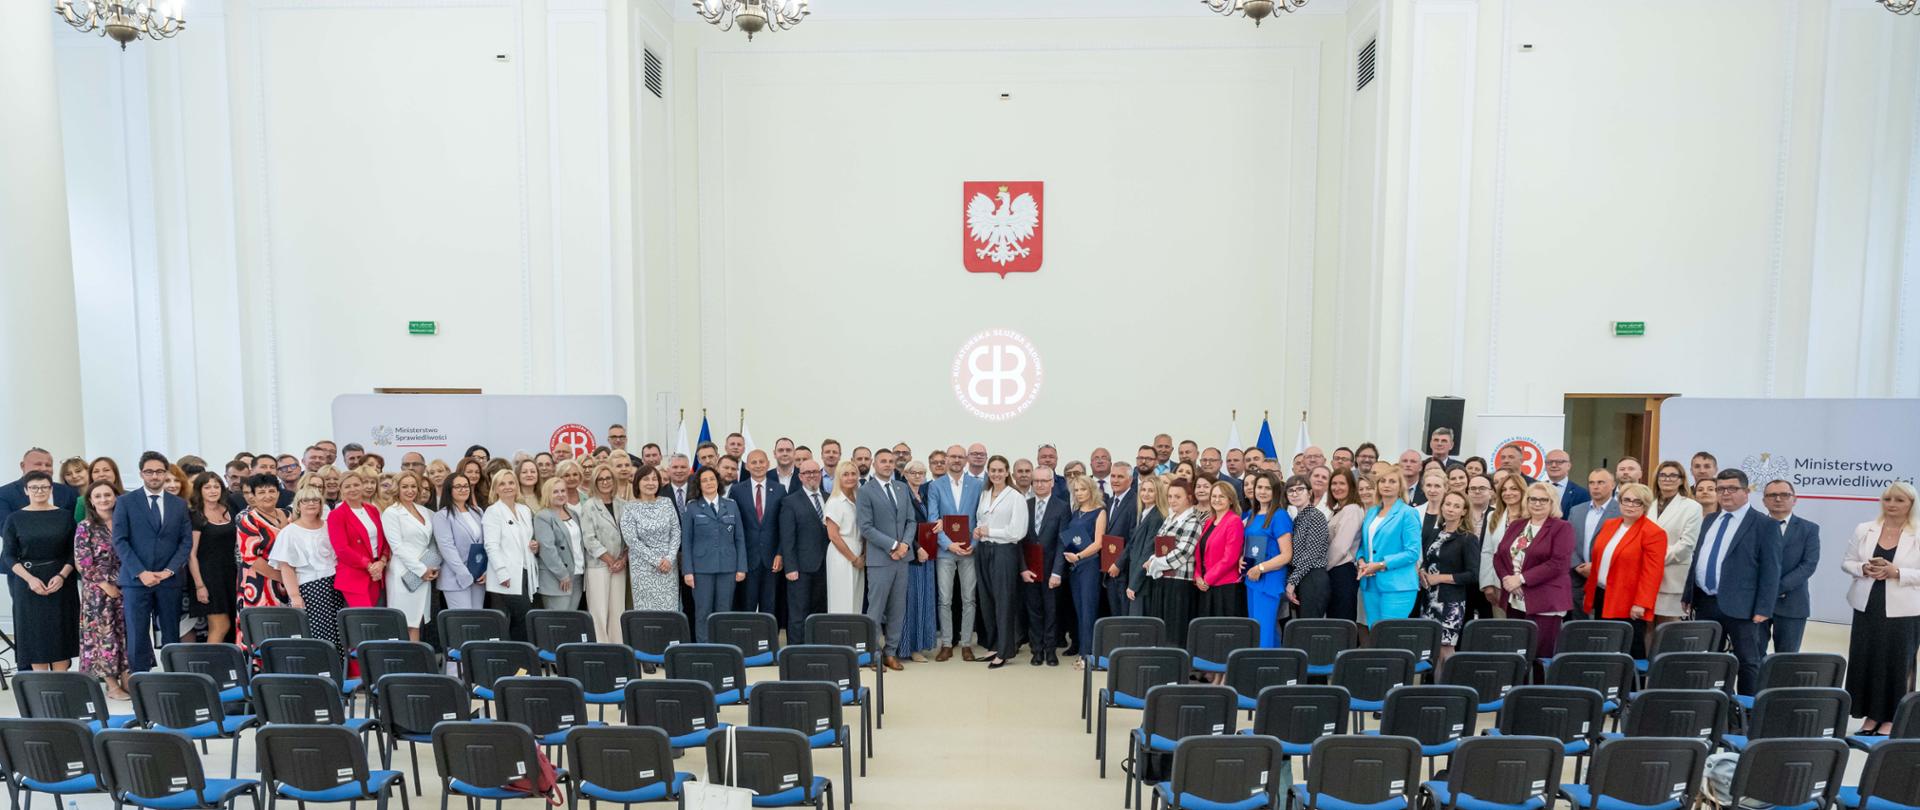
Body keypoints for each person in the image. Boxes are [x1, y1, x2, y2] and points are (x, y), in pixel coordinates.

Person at [1682, 469, 1780, 696]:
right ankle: (1715, 707)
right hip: (1705, 602)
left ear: (1746, 492)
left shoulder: (1764, 525)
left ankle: (1746, 715)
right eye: (1720, 489)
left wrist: (1764, 608)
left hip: (1743, 607)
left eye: (1732, 489)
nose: (1725, 493)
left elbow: (1771, 570)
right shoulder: (1710, 520)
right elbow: (1698, 558)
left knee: (1748, 661)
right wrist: (1689, 594)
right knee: (1710, 661)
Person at [1843, 482, 1920, 735]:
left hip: (1904, 612)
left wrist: (1896, 572)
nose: (1892, 505)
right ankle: (1870, 716)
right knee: (1866, 660)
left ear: (1911, 504)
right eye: (1888, 499)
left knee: (1897, 664)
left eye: (1899, 500)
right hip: (1867, 605)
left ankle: (1892, 718)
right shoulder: (1865, 529)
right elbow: (1848, 562)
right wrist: (1864, 568)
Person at [112, 451, 191, 673]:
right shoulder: (126, 502)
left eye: (159, 471)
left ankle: (174, 677)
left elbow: (185, 542)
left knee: (171, 633)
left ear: (166, 473)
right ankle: (140, 681)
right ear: (141, 474)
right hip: (136, 580)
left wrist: (169, 570)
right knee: (137, 633)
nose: (154, 476)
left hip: (169, 580)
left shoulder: (178, 504)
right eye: (149, 471)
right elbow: (119, 540)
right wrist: (141, 572)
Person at [4, 470, 79, 670]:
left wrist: (62, 575)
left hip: (60, 581)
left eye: (44, 487)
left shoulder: (64, 516)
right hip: (28, 583)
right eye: (34, 487)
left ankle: (62, 681)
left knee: (59, 632)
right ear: (26, 491)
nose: (39, 491)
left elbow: (74, 552)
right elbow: (8, 555)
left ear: (51, 489)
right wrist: (30, 579)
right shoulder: (14, 518)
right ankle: (41, 686)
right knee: (34, 635)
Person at [1583, 482, 1665, 659]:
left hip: (1629, 603)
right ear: (1619, 502)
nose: (1630, 505)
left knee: (1628, 651)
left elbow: (1652, 573)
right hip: (1602, 595)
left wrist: (1641, 604)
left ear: (1645, 506)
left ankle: (1633, 686)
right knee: (1603, 647)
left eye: (1637, 502)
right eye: (1626, 500)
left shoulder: (1653, 533)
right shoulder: (1610, 524)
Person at [1492, 482, 1575, 655]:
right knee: (1516, 652)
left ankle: (1538, 684)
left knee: (1539, 656)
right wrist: (1508, 581)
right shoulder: (1517, 525)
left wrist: (1521, 579)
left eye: (1543, 500)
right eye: (1533, 499)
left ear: (1552, 503)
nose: (1537, 503)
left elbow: (1558, 564)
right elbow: (1499, 556)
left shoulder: (1562, 528)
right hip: (1514, 598)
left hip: (1546, 601)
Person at [857, 449, 915, 671]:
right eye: (883, 461)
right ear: (874, 464)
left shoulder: (902, 487)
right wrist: (893, 545)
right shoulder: (866, 491)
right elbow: (866, 527)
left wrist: (905, 545)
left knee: (897, 608)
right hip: (880, 559)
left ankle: (891, 652)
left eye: (891, 461)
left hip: (902, 559)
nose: (888, 465)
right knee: (876, 609)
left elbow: (911, 521)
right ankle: (873, 655)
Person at [926, 444, 983, 662]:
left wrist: (974, 543)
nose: (957, 460)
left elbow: (981, 518)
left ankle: (967, 644)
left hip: (970, 550)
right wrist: (949, 545)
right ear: (946, 459)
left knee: (969, 599)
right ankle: (947, 644)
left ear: (966, 459)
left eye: (960, 456)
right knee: (945, 599)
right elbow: (933, 518)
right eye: (953, 456)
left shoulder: (977, 485)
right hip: (945, 551)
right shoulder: (936, 486)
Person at [74, 480, 130, 696]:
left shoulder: (124, 523)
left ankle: (127, 677)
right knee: (103, 636)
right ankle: (111, 684)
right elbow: (84, 561)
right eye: (98, 496)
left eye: (108, 495)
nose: (103, 499)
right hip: (98, 591)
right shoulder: (85, 527)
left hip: (126, 585)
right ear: (90, 500)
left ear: (116, 496)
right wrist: (106, 586)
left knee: (125, 634)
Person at [270, 487, 344, 648]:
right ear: (298, 505)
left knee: (338, 633)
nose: (311, 503)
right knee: (315, 635)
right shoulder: (289, 532)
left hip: (334, 586)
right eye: (306, 500)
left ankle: (338, 669)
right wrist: (295, 596)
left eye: (315, 500)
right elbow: (286, 567)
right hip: (308, 589)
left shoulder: (329, 526)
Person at [975, 455, 1030, 668]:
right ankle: (995, 644)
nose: (996, 474)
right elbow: (982, 518)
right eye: (993, 470)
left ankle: (1006, 650)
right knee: (987, 600)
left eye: (1000, 470)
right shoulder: (985, 493)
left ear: (1007, 473)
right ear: (988, 472)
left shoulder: (1015, 497)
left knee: (1004, 601)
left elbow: (1017, 532)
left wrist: (990, 531)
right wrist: (979, 531)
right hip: (984, 550)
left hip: (1004, 552)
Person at [681, 466, 746, 642]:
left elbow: (739, 538)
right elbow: (686, 541)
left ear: (718, 482)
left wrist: (741, 567)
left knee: (724, 612)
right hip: (701, 569)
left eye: (712, 479)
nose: (709, 483)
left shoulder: (731, 505)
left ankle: (723, 648)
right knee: (703, 611)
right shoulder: (693, 507)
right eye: (704, 480)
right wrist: (688, 571)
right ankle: (704, 648)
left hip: (728, 567)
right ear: (699, 485)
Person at [1757, 480, 1819, 654]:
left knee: (1786, 660)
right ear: (1764, 501)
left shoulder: (1809, 529)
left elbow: (1808, 565)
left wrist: (1775, 588)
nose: (1778, 499)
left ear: (1794, 499)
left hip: (1793, 603)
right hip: (1756, 603)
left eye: (1784, 494)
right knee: (1752, 657)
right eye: (1771, 495)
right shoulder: (1753, 526)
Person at [1357, 463, 1422, 627]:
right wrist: (1361, 561)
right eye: (1383, 481)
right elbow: (1365, 546)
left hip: (1397, 585)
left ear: (1401, 486)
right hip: (1370, 583)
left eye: (1392, 481)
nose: (1386, 485)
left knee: (1390, 636)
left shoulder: (1408, 513)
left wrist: (1380, 565)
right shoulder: (1372, 512)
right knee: (1375, 633)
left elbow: (1412, 552)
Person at [1053, 474, 1108, 670]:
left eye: (1083, 489)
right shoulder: (1076, 512)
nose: (1080, 493)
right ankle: (1084, 653)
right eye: (1076, 490)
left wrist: (1079, 556)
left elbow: (1099, 542)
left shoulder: (1100, 512)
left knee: (1089, 610)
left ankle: (1089, 656)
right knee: (1079, 610)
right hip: (1074, 566)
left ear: (1091, 489)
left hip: (1089, 565)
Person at [1140, 479, 1204, 646]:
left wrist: (1154, 563)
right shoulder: (1170, 518)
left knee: (1175, 631)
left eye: (1178, 496)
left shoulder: (1193, 521)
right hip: (1163, 579)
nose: (1172, 500)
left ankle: (1176, 667)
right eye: (1170, 496)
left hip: (1180, 583)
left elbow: (1182, 553)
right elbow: (1160, 544)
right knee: (1162, 629)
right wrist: (1153, 559)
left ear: (1189, 498)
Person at [1420, 491, 1479, 663]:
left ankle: (1448, 688)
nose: (1451, 509)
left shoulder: (1468, 538)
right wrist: (1422, 571)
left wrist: (1440, 578)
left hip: (1450, 602)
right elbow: (1428, 559)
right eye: (1448, 504)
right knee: (1432, 650)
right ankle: (1434, 687)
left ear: (1464, 511)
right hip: (1429, 598)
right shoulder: (1435, 533)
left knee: (1446, 649)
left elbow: (1472, 575)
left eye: (1456, 506)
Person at [728, 449, 784, 619]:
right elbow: (734, 526)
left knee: (770, 607)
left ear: (768, 464)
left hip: (772, 560)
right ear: (747, 466)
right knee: (747, 606)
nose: (758, 465)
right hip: (747, 559)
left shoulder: (780, 489)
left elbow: (784, 526)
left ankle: (770, 644)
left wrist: (780, 553)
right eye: (754, 462)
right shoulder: (737, 490)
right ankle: (748, 643)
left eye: (761, 462)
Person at [1648, 461, 1702, 632]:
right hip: (1646, 577)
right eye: (1663, 475)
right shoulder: (1648, 503)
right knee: (1647, 627)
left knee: (1669, 626)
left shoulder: (1691, 506)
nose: (1667, 479)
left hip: (1672, 573)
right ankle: (1649, 659)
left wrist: (1654, 561)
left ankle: (1668, 660)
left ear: (1681, 480)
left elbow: (1687, 544)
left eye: (1673, 475)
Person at [382, 471, 438, 638]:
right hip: (404, 573)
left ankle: (415, 660)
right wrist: (421, 569)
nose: (410, 490)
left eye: (413, 486)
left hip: (425, 570)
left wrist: (431, 566)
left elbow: (430, 542)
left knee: (417, 620)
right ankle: (407, 661)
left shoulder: (424, 510)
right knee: (405, 622)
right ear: (397, 488)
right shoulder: (391, 513)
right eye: (404, 486)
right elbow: (397, 547)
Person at [483, 470, 538, 641]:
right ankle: (518, 660)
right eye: (502, 484)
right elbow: (491, 545)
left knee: (522, 618)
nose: (508, 487)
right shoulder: (493, 511)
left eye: (511, 482)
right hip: (507, 573)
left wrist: (533, 546)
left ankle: (520, 661)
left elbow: (526, 539)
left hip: (526, 571)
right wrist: (501, 572)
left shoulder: (524, 510)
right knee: (522, 616)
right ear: (496, 489)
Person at [577, 463, 628, 644]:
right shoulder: (589, 506)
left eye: (608, 478)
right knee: (599, 611)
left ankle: (617, 647)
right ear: (594, 482)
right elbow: (589, 539)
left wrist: (622, 560)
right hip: (599, 566)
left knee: (617, 610)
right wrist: (610, 560)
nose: (605, 482)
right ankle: (602, 647)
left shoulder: (623, 505)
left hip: (620, 566)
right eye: (601, 479)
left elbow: (629, 537)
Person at [776, 460, 830, 628]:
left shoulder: (829, 499)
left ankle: (817, 650)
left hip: (826, 567)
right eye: (807, 472)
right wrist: (790, 567)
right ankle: (796, 651)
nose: (811, 475)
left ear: (820, 474)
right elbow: (787, 537)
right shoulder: (790, 501)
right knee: (799, 613)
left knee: (820, 612)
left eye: (815, 471)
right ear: (800, 476)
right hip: (800, 568)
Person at [1241, 472, 1293, 647]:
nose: (1262, 491)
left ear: (1276, 491)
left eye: (1267, 488)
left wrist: (1261, 568)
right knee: (1257, 629)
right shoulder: (1252, 514)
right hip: (1252, 577)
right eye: (1259, 487)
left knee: (1264, 630)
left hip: (1268, 578)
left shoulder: (1279, 515)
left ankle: (1266, 668)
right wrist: (1243, 559)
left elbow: (1286, 555)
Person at [622, 464, 683, 613]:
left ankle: (670, 637)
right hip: (643, 569)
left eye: (654, 479)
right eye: (646, 479)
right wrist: (656, 561)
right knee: (647, 614)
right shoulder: (629, 507)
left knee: (669, 611)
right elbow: (632, 540)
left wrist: (669, 558)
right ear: (637, 483)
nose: (651, 483)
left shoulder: (667, 503)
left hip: (668, 567)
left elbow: (676, 531)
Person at [186, 472, 238, 643]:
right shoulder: (196, 516)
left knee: (234, 625)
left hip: (231, 574)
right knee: (221, 626)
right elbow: (191, 554)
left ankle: (229, 667)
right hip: (209, 578)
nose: (212, 490)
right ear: (199, 490)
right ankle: (211, 666)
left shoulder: (229, 510)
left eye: (216, 486)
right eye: (207, 487)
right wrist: (199, 586)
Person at [328, 470, 389, 610]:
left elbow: (383, 540)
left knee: (379, 619)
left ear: (362, 486)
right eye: (347, 486)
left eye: (356, 484)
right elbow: (342, 549)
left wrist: (382, 562)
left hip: (378, 573)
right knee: (363, 622)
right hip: (355, 576)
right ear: (341, 489)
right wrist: (369, 566)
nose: (353, 489)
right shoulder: (337, 515)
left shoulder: (372, 510)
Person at [235, 474, 290, 629]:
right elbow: (251, 558)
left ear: (278, 493)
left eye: (272, 491)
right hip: (260, 582)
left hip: (287, 581)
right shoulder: (248, 520)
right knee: (263, 628)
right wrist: (282, 578)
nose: (268, 496)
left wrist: (289, 579)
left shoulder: (288, 514)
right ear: (253, 496)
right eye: (261, 492)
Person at [897, 461, 937, 662]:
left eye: (922, 472)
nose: (918, 476)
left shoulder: (926, 494)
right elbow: (903, 526)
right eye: (914, 472)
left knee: (924, 601)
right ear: (905, 474)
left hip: (928, 556)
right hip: (912, 556)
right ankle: (908, 647)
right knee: (911, 602)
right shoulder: (901, 494)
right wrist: (916, 548)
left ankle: (920, 645)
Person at [1566, 469, 1619, 621]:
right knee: (1579, 626)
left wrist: (1596, 567)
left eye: (1601, 482)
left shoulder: (1621, 511)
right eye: (1592, 483)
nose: (1595, 487)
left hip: (1607, 578)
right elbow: (1568, 542)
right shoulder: (1576, 511)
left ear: (1612, 485)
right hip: (1578, 576)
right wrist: (1577, 565)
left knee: (1604, 626)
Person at [433, 472, 489, 612]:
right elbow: (447, 547)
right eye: (458, 486)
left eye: (466, 486)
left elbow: (485, 543)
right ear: (449, 490)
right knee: (463, 622)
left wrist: (485, 570)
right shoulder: (442, 515)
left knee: (477, 618)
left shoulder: (478, 512)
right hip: (456, 577)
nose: (463, 489)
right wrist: (463, 573)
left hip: (477, 576)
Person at [1478, 473, 1528, 618]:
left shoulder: (1531, 516)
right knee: (1503, 630)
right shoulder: (1493, 516)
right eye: (1504, 490)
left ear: (1523, 491)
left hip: (1525, 585)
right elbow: (1487, 551)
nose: (1508, 493)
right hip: (1498, 584)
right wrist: (1487, 584)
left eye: (1513, 489)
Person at [1284, 474, 1331, 619]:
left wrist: (1292, 582)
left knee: (1310, 627)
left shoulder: (1316, 516)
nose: (1295, 493)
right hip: (1302, 577)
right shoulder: (1298, 518)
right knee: (1302, 626)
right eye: (1291, 490)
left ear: (1309, 493)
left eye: (1300, 489)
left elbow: (1311, 554)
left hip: (1313, 577)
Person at [821, 460, 865, 616]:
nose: (850, 478)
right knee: (842, 599)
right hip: (842, 555)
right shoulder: (834, 502)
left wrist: (862, 555)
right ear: (839, 477)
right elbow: (833, 535)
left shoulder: (858, 500)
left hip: (858, 553)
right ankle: (839, 638)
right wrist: (853, 559)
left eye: (853, 474)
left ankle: (853, 638)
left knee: (856, 598)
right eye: (845, 474)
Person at [533, 478, 583, 611]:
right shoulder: (543, 516)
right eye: (555, 492)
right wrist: (562, 574)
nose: (560, 494)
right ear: (547, 494)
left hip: (577, 574)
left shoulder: (573, 514)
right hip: (557, 578)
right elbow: (547, 549)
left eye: (563, 491)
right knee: (558, 623)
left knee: (571, 620)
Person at [1122, 475, 1169, 616]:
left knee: (1140, 624)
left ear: (1158, 493)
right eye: (1143, 490)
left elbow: (1148, 551)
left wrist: (1134, 584)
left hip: (1144, 581)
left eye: (1151, 491)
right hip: (1137, 576)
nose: (1146, 494)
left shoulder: (1156, 517)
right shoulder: (1143, 513)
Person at [1, 448, 79, 528]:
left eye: (48, 465)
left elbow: (75, 526)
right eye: (38, 464)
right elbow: (6, 529)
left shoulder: (68, 492)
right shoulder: (4, 494)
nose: (44, 468)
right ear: (23, 466)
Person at [1325, 468, 1364, 622]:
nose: (1337, 487)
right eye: (1334, 483)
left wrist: (1322, 567)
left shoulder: (1352, 510)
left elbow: (1340, 548)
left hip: (1342, 572)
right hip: (1334, 571)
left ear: (1351, 486)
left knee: (1341, 621)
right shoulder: (1336, 511)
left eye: (1342, 483)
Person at [1543, 450, 1590, 515]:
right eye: (1549, 462)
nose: (1553, 465)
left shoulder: (1581, 494)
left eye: (1559, 462)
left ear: (1569, 466)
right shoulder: (1536, 489)